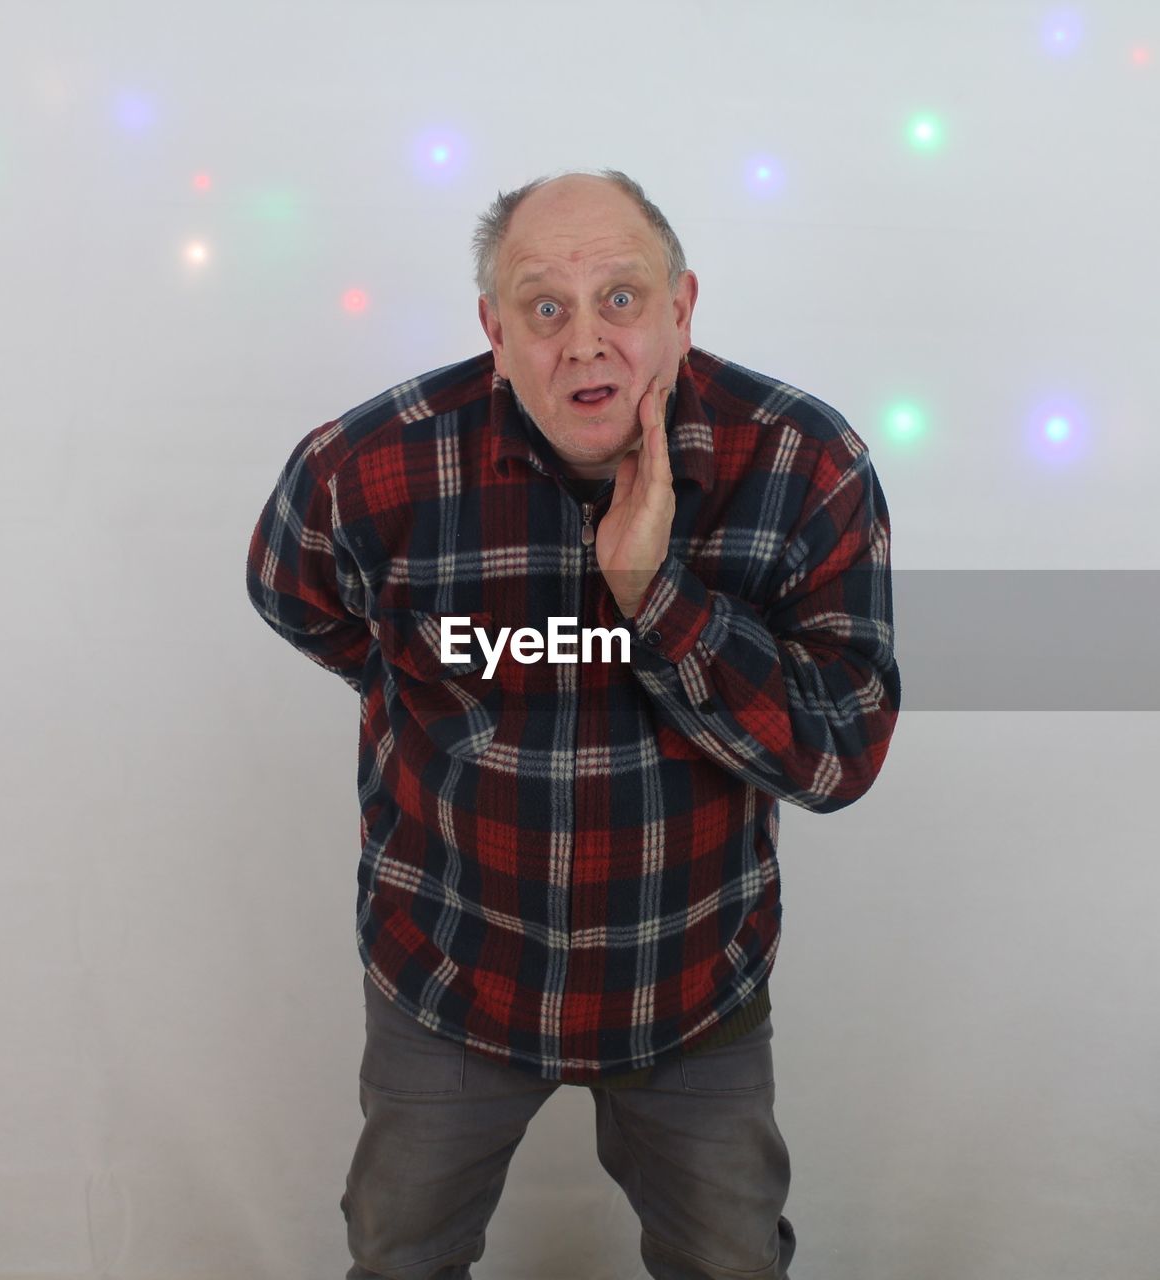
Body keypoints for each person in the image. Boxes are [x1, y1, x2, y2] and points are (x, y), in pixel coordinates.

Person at [246, 168, 901, 1280]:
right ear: (493, 330)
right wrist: (432, 688)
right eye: (544, 306)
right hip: (451, 970)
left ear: (684, 308)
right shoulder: (368, 466)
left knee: (733, 1261)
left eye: (622, 299)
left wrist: (657, 599)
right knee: (398, 1253)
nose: (585, 342)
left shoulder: (803, 464)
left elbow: (840, 750)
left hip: (690, 980)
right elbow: (290, 590)